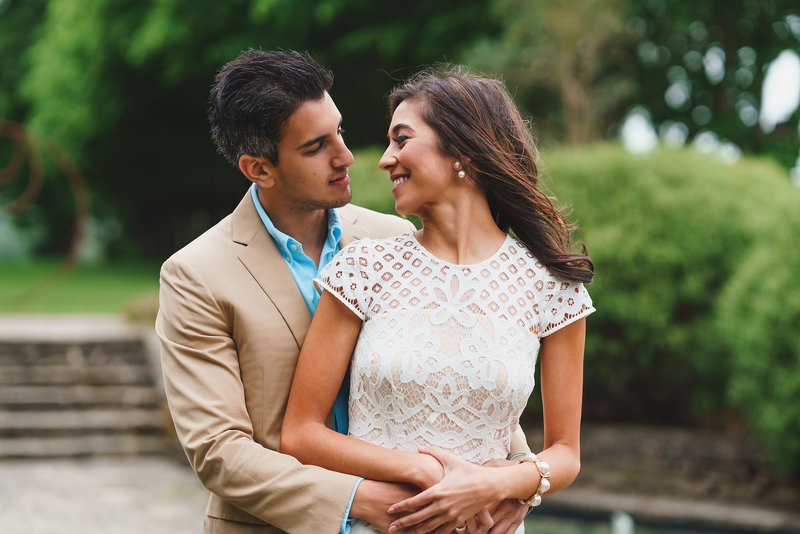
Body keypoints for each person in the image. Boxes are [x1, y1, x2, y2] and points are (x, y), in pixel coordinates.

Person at [156, 50, 531, 534]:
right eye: (315, 147)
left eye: (340, 132)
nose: (346, 156)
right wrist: (361, 500)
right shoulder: (195, 275)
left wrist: (513, 476)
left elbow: (459, 365)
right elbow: (218, 451)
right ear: (259, 169)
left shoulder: (393, 238)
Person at [281, 67, 595, 534]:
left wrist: (506, 485)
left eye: (401, 140)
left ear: (463, 150)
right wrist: (423, 470)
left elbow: (565, 452)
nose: (386, 159)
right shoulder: (363, 268)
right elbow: (301, 433)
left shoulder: (553, 286)